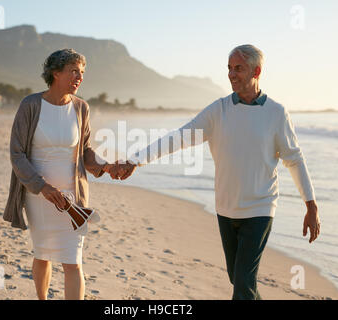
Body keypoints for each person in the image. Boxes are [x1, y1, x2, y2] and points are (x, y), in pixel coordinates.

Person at [115, 44, 321, 300]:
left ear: (256, 71)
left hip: (260, 208)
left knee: (243, 281)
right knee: (238, 278)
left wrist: (310, 205)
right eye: (229, 68)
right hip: (225, 208)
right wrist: (136, 160)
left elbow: (294, 160)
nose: (232, 74)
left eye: (239, 68)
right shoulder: (219, 110)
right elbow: (179, 138)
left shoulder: (276, 113)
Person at [3, 48, 118, 300]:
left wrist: (106, 166)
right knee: (43, 254)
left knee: (72, 260)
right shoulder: (30, 105)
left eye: (82, 72)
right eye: (74, 71)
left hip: (73, 199)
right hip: (39, 196)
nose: (80, 77)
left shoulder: (81, 108)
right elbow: (17, 153)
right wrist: (42, 187)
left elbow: (85, 151)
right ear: (55, 73)